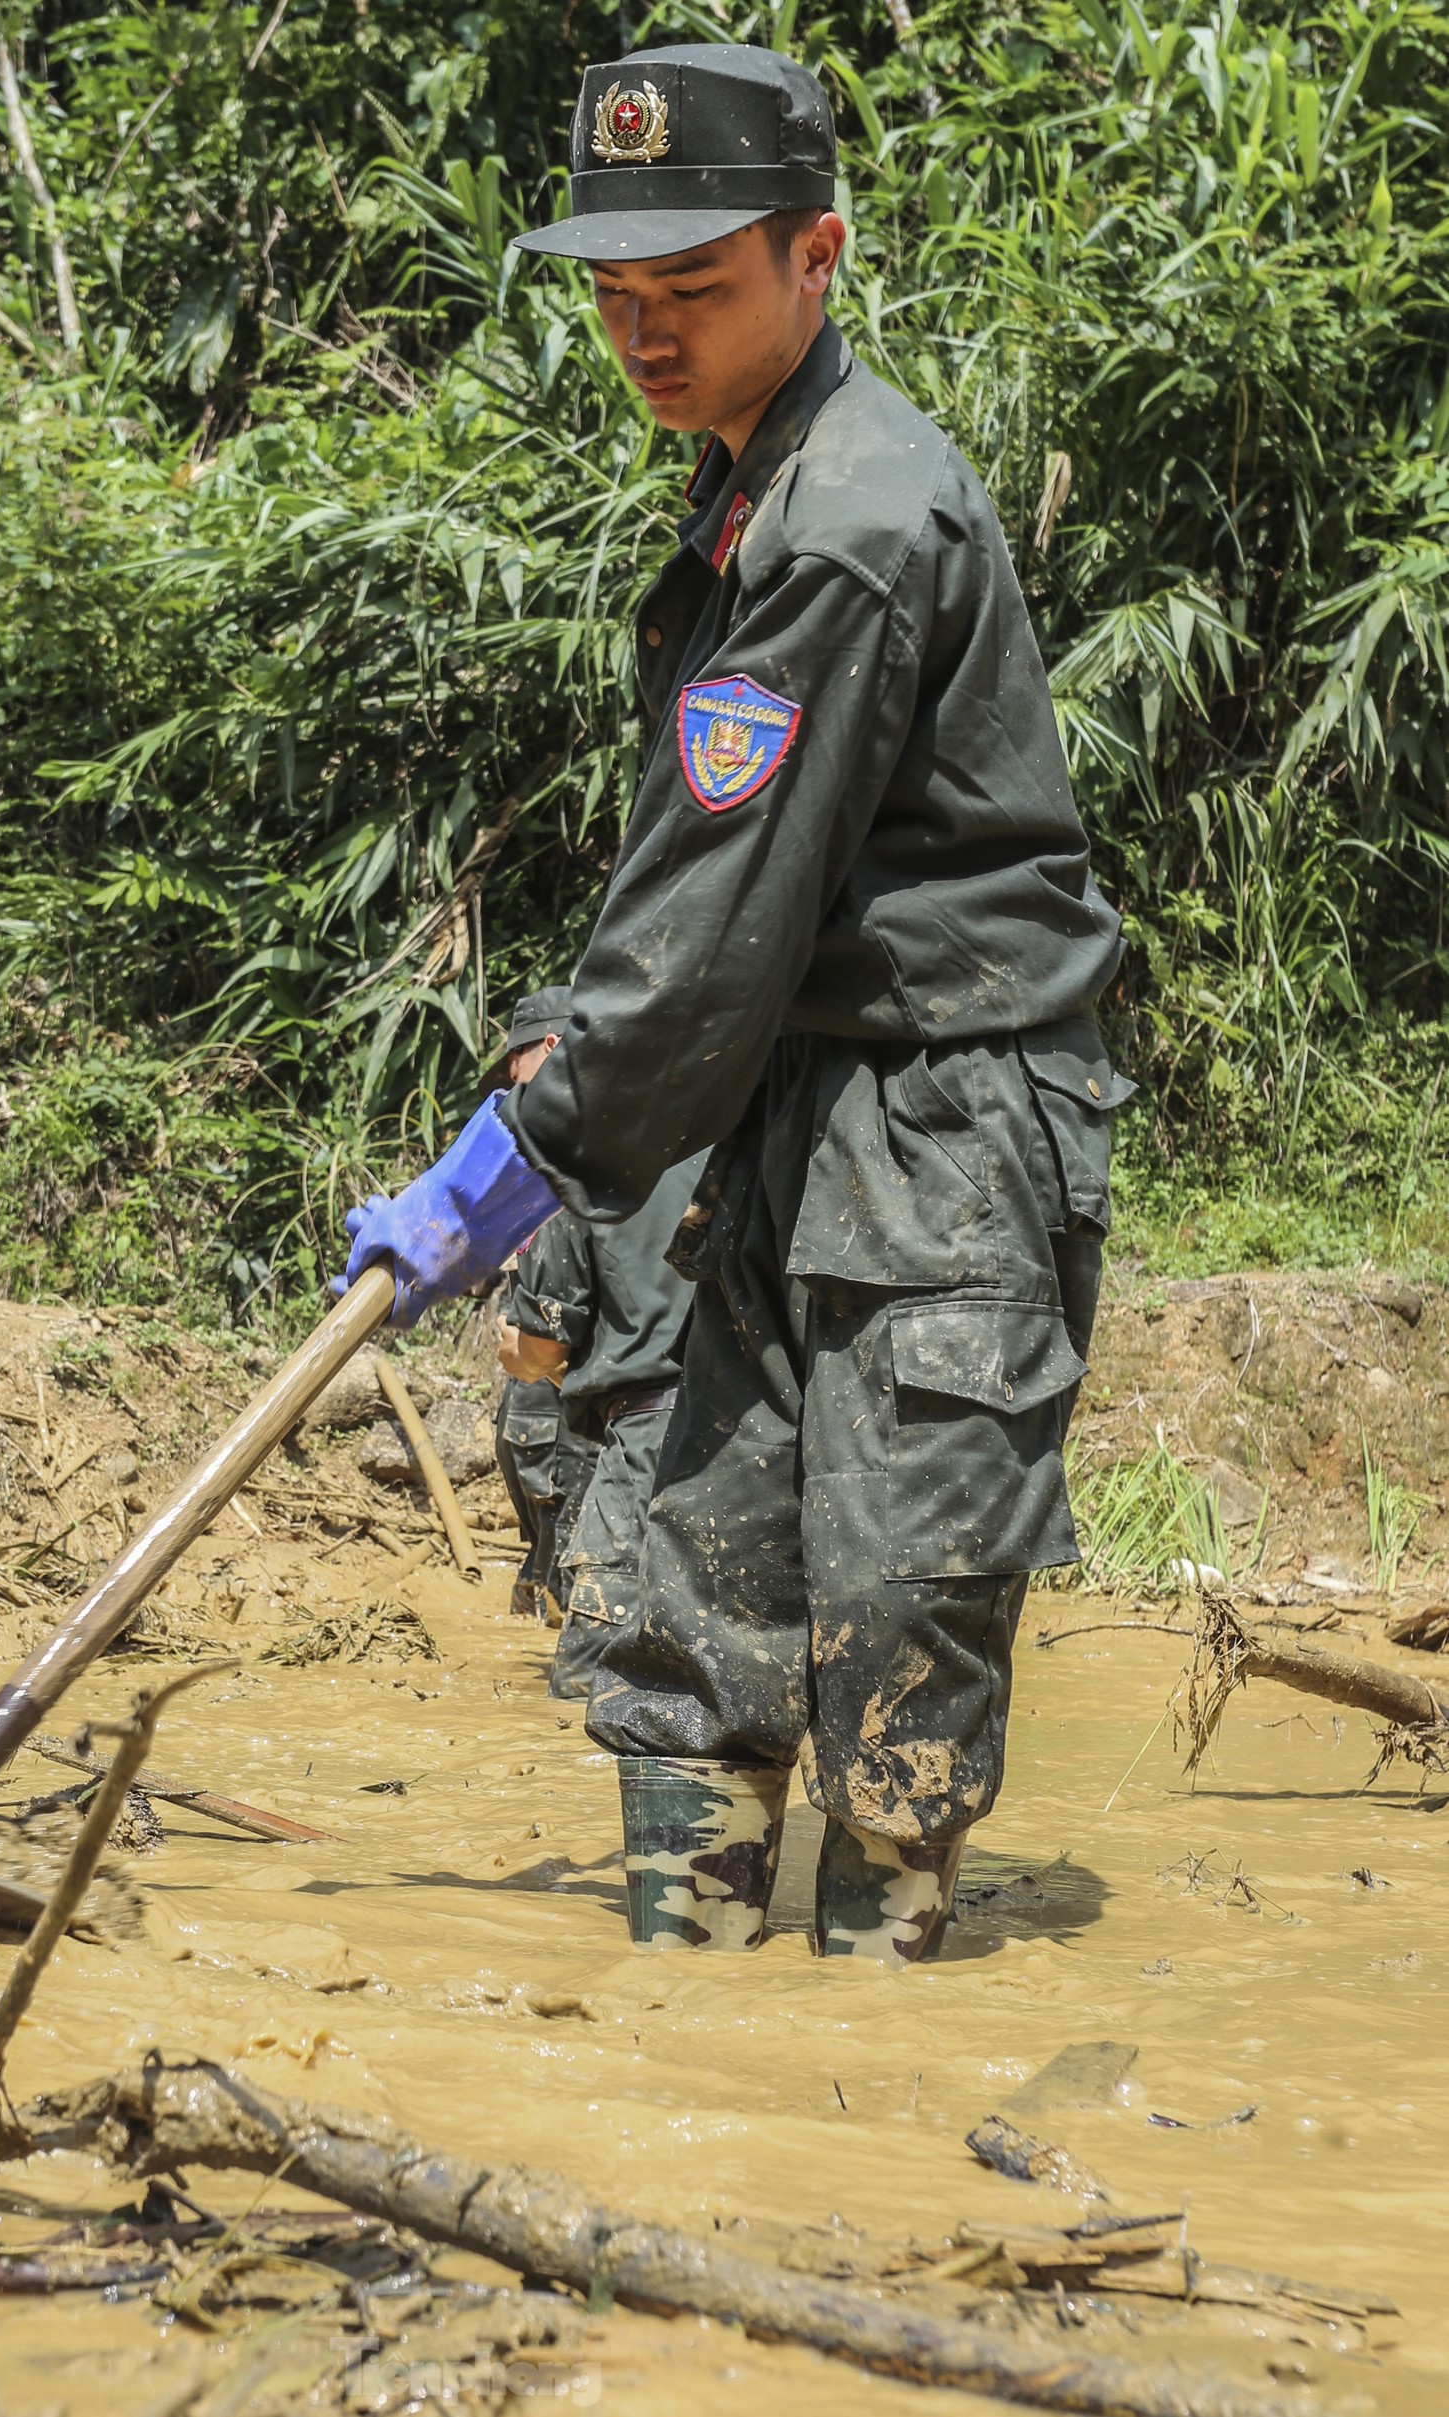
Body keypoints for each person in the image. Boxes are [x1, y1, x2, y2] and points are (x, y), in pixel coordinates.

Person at [338, 43, 1126, 1965]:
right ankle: (685, 2043)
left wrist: (521, 1147)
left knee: (892, 1628)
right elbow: (701, 880)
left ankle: (876, 2081)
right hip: (763, 1093)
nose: (647, 334)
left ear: (818, 258)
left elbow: (715, 915)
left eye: (691, 292)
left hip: (932, 1125)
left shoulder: (853, 523)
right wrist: (573, 1047)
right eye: (616, 298)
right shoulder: (751, 498)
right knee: (688, 1580)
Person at [505, 1144, 705, 1698]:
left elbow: (542, 1350)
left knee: (593, 1678)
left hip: (645, 1438)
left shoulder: (585, 1158)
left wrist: (517, 1356)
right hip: (756, 1435)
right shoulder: (741, 1125)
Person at [484, 989, 599, 1624]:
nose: (510, 1076)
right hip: (540, 1365)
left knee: (575, 1570)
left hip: (573, 1372)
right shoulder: (532, 1152)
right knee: (546, 1560)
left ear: (551, 1048)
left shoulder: (590, 1155)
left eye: (518, 1059)